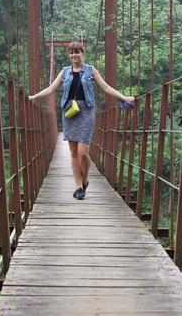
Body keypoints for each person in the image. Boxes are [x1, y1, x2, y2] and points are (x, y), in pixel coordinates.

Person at [28, 41, 135, 199]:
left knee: (83, 152)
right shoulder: (64, 72)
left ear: (82, 53)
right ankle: (79, 187)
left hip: (86, 111)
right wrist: (34, 97)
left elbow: (106, 87)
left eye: (77, 52)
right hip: (69, 113)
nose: (74, 55)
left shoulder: (91, 70)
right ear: (69, 55)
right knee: (73, 153)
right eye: (71, 53)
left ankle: (85, 180)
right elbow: (51, 88)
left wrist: (124, 97)